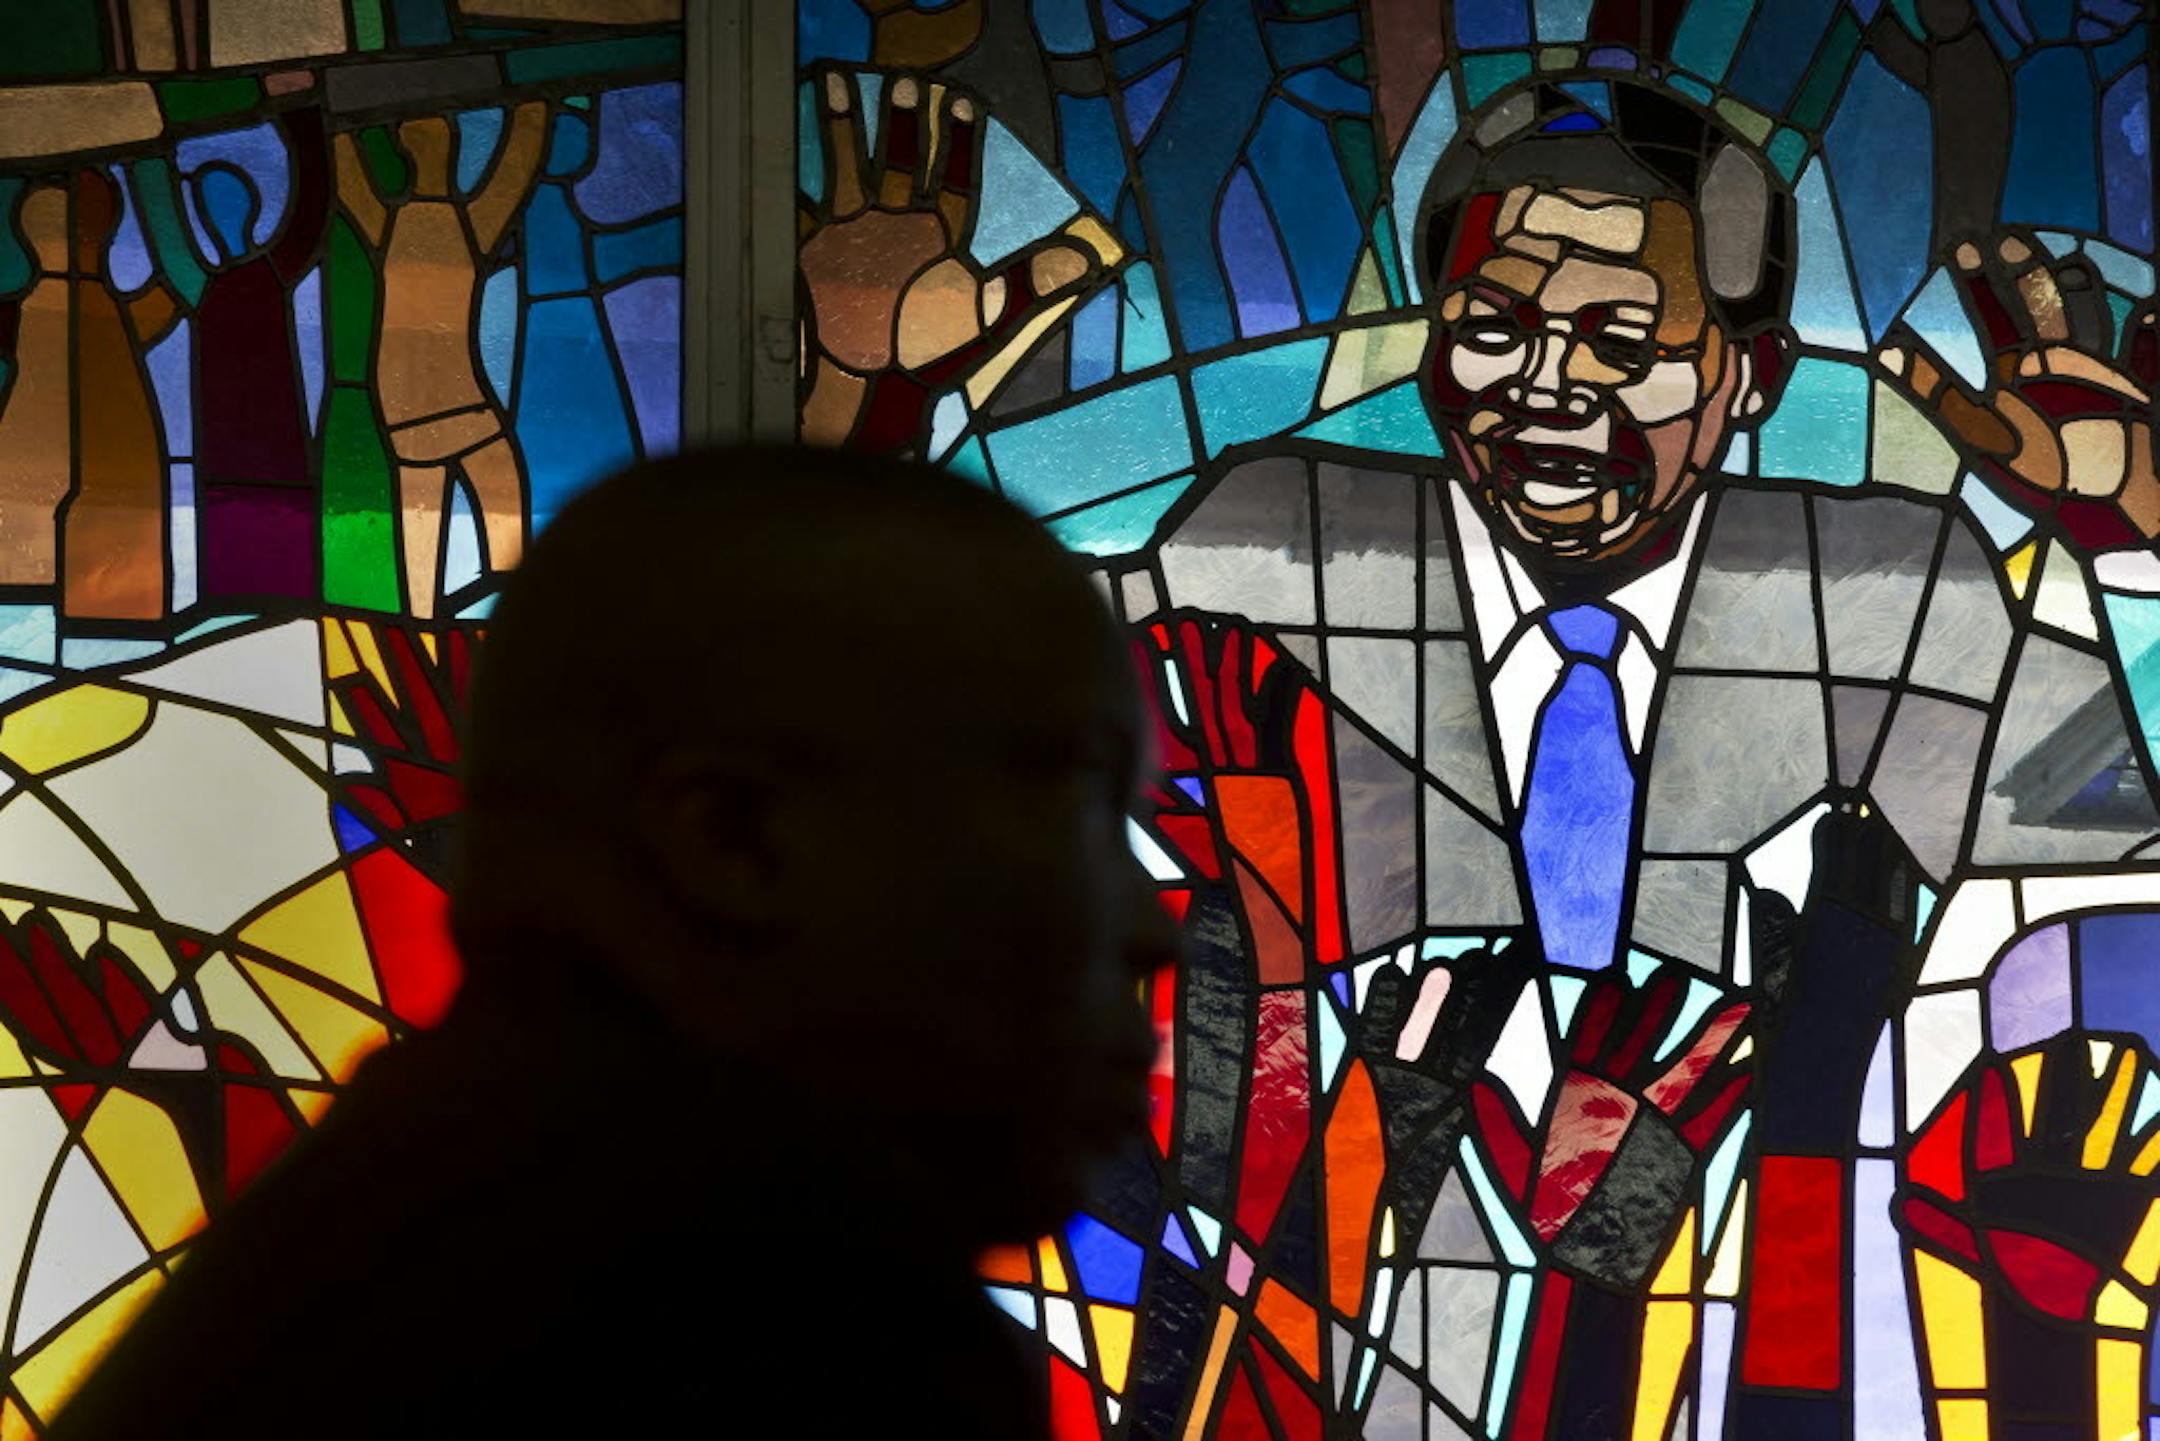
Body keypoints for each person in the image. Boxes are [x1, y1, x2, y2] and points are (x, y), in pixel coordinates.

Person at [1105, 74, 2159, 1437]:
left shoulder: (1906, 600)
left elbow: (2116, 899)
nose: (1546, 391)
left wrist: (2132, 556)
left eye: (1619, 341)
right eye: (1491, 329)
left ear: (1753, 374)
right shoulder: (1260, 555)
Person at [52, 445, 1175, 1439]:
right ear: (735, 838)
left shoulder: (413, 1232)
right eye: (1079, 796)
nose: (1154, 932)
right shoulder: (773, 1334)